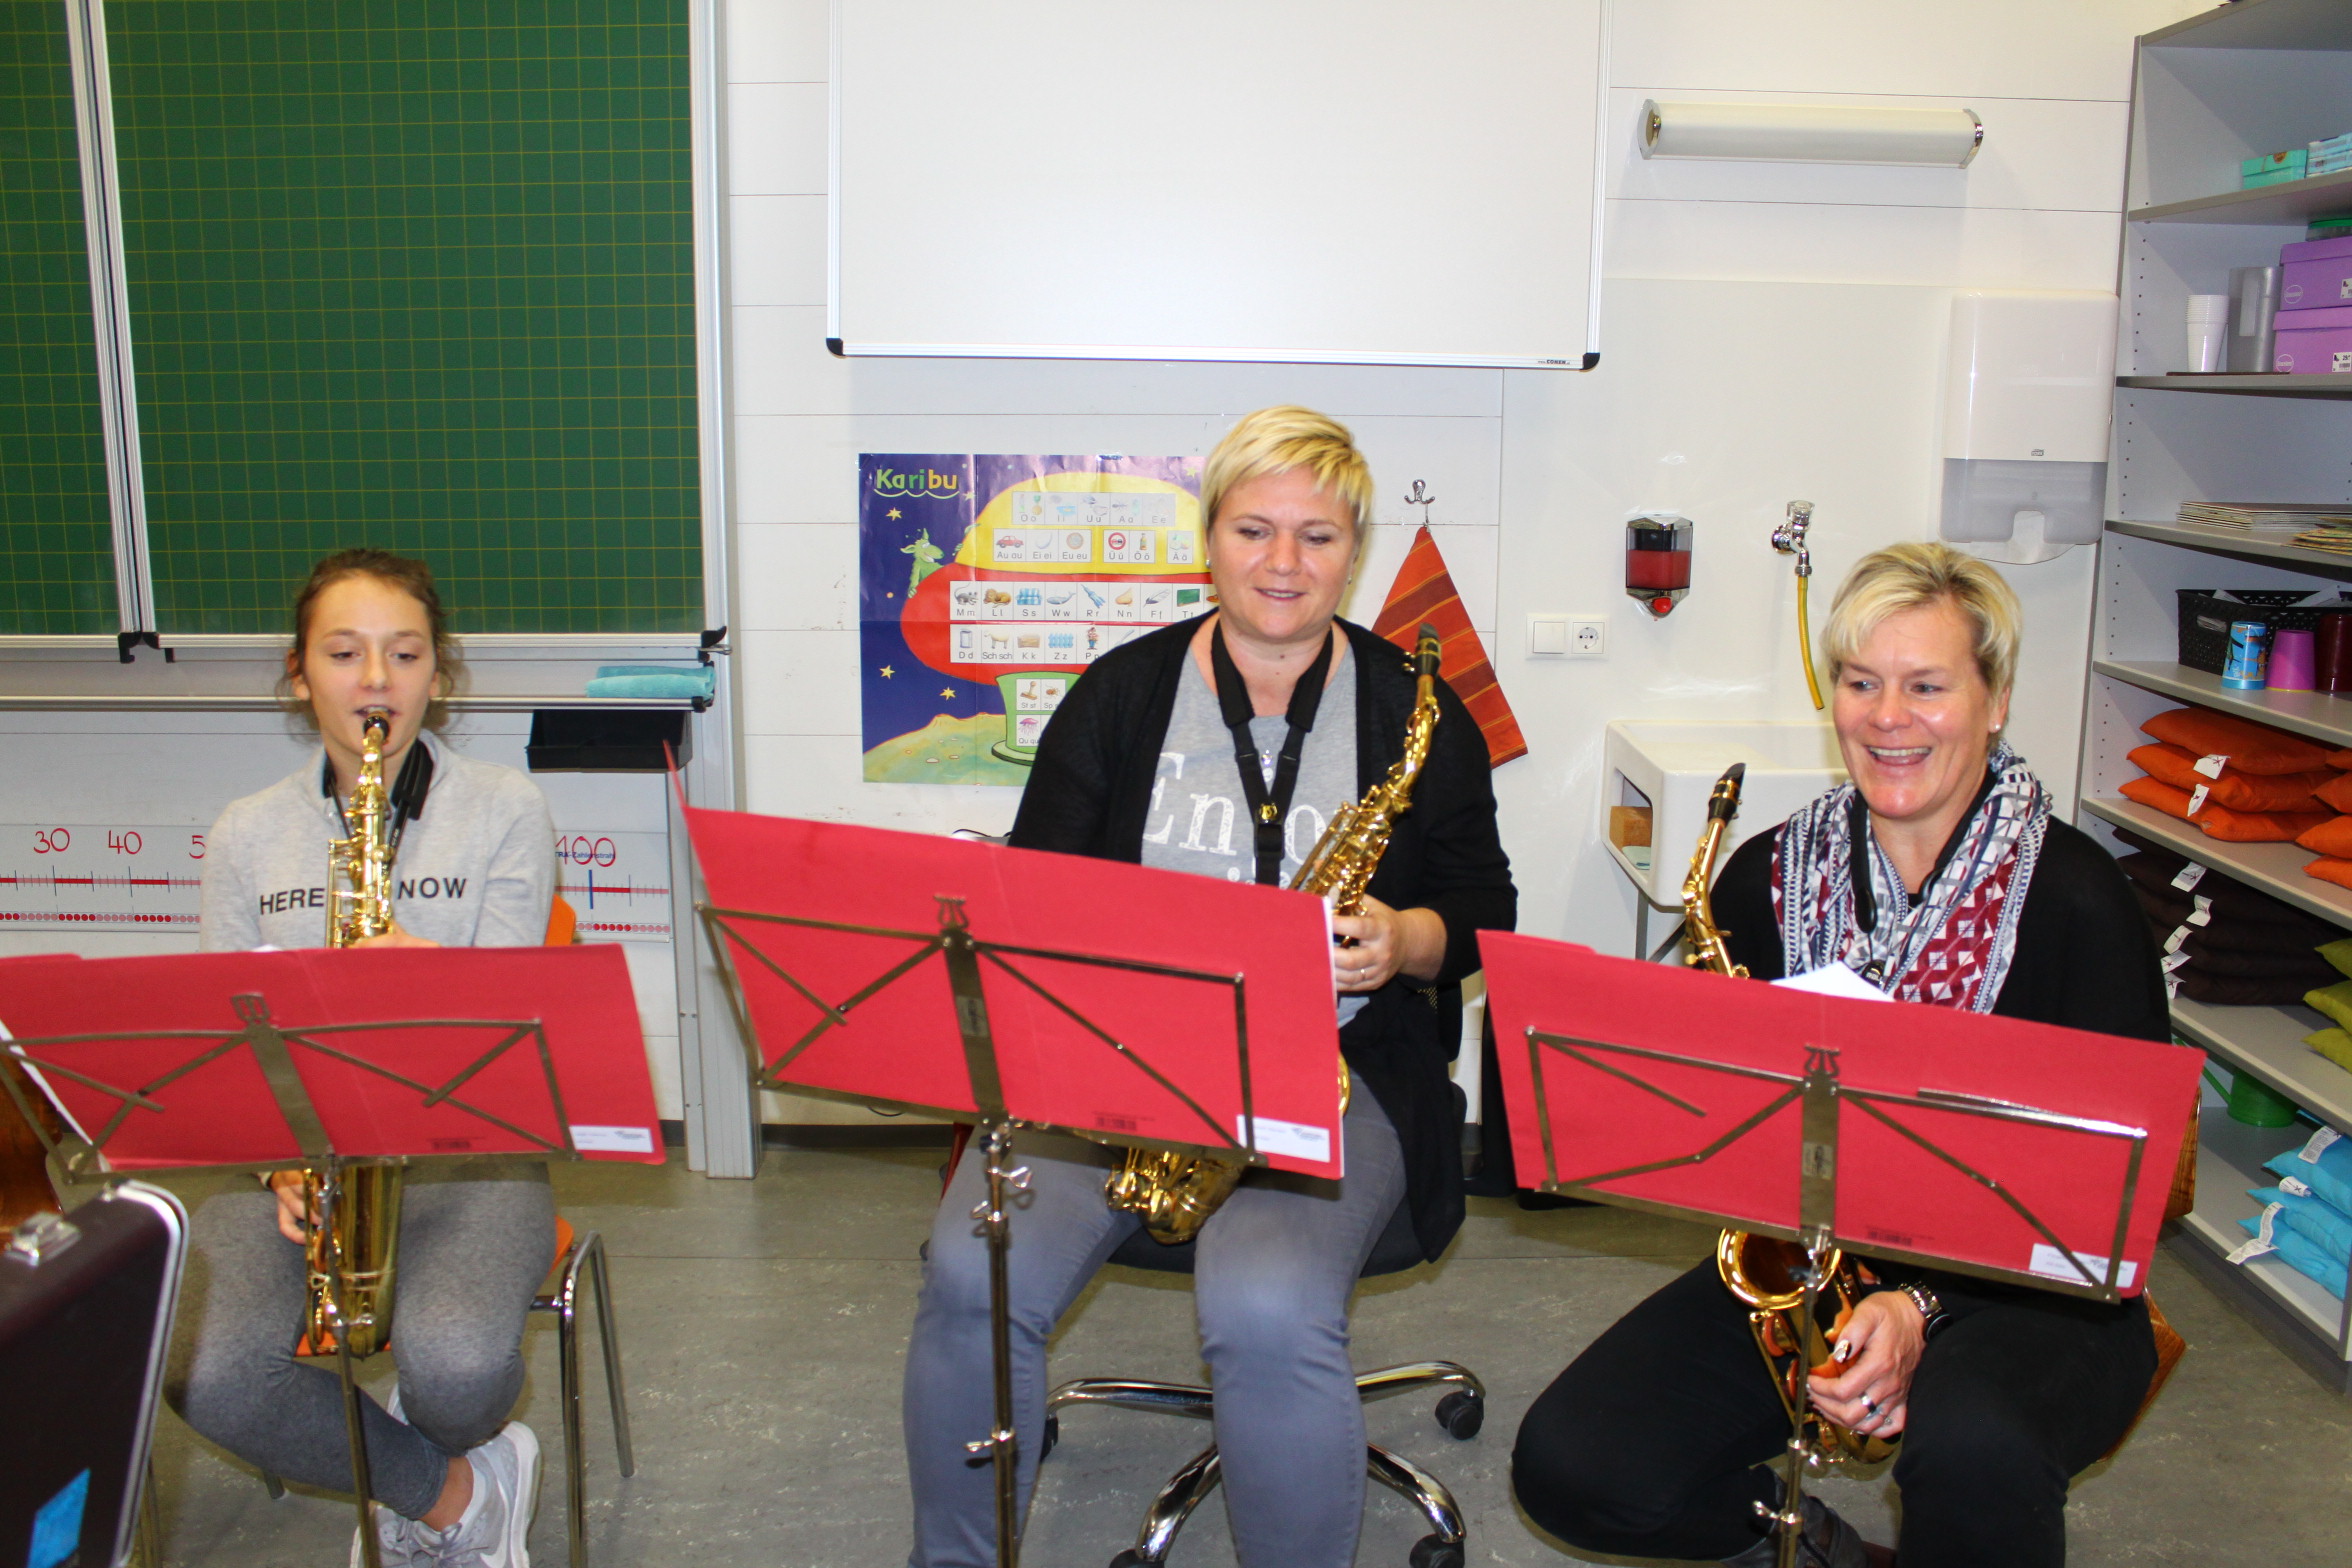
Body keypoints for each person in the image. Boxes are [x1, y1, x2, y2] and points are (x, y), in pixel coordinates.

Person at [901, 407, 1516, 1568]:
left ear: (1354, 549)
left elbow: (1487, 910)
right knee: (971, 1269)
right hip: (1118, 1067)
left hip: (1341, 1071)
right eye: (1253, 529)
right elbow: (1034, 905)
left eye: (1318, 535)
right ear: (1210, 538)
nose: (1284, 562)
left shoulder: (1416, 709)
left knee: (1265, 1300)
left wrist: (1405, 937)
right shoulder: (1121, 693)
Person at [1511, 542, 2170, 1568]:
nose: (1887, 717)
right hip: (1817, 1269)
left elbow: (2113, 1199)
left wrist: (1919, 1306)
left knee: (1974, 1446)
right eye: (1861, 683)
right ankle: (1824, 1551)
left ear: (1995, 702)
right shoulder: (1767, 874)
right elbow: (1708, 1109)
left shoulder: (2080, 899)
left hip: (2038, 1291)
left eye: (1927, 686)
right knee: (1575, 1465)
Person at [175, 548, 559, 1568]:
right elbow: (229, 1040)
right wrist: (277, 1163)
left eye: (405, 652)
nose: (377, 680)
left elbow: (518, 1018)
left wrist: (429, 975)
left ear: (439, 671)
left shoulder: (504, 807)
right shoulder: (247, 832)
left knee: (458, 1372)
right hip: (299, 1162)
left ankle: (424, 1455)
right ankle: (450, 1491)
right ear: (300, 673)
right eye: (344, 653)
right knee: (202, 1370)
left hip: (467, 1161)